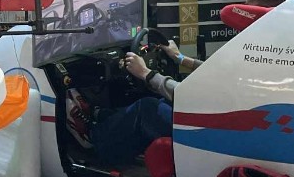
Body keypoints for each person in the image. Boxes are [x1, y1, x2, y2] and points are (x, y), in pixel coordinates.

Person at [66, 41, 203, 164]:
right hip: (211, 124)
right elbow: (211, 72)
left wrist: (146, 73)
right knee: (163, 102)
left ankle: (93, 136)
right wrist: (180, 57)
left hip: (205, 133)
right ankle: (99, 114)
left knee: (148, 109)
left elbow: (185, 95)